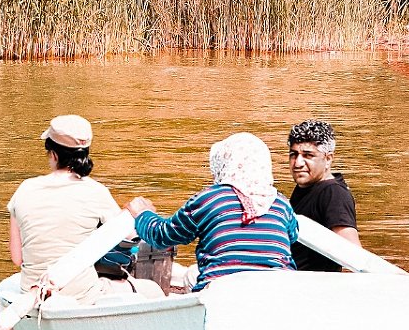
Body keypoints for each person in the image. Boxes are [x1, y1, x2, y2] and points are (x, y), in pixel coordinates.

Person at [7, 114, 164, 304]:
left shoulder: (24, 189)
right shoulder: (95, 191)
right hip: (81, 295)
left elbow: (17, 258)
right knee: (152, 289)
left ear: (53, 154)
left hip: (32, 294)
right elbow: (130, 236)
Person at [126, 132, 298, 292]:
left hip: (222, 290)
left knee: (194, 277)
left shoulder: (210, 199)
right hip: (279, 290)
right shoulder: (281, 203)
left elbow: (163, 235)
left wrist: (142, 214)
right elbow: (292, 236)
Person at [287, 119, 360, 272]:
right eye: (294, 154)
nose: (298, 163)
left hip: (316, 290)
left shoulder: (333, 193)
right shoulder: (306, 187)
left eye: (308, 155)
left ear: (328, 159)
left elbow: (354, 255)